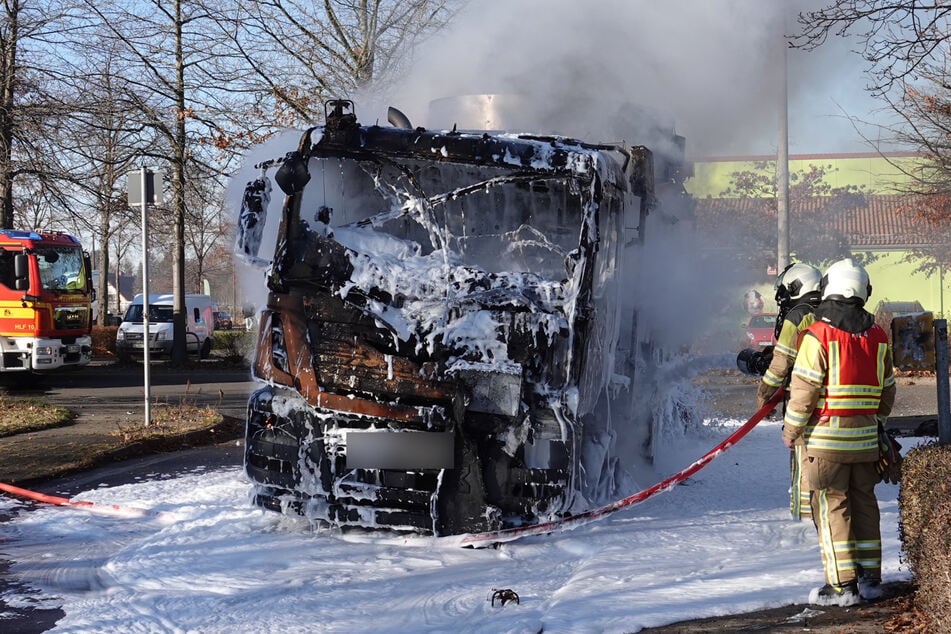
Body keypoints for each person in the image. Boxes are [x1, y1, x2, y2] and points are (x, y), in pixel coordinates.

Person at [782, 258, 896, 607]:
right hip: (865, 443)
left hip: (825, 442)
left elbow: (803, 390)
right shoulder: (878, 336)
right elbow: (887, 393)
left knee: (833, 507)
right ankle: (870, 580)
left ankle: (841, 586)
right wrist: (871, 421)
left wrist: (791, 430)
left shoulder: (818, 334)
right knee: (865, 504)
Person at [756, 263, 823, 521]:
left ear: (796, 287)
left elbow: (781, 364)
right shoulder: (830, 312)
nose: (782, 296)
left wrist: (764, 393)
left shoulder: (796, 315)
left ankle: (805, 519)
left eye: (785, 289)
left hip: (801, 396)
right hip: (829, 399)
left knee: (804, 461)